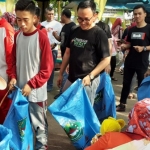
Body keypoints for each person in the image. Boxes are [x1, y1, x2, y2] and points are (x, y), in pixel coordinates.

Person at [9, 0, 53, 149]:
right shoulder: (17, 36)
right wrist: (13, 76)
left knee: (39, 128)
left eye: (25, 19)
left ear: (34, 18)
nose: (21, 24)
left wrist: (31, 84)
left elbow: (47, 69)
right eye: (18, 19)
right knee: (22, 127)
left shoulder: (41, 37)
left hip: (36, 94)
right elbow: (13, 61)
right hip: (20, 92)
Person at [57, 0, 110, 105]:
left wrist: (90, 76)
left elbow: (106, 59)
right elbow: (68, 53)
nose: (82, 22)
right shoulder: (74, 30)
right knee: (65, 105)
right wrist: (61, 73)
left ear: (95, 16)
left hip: (88, 80)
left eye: (86, 19)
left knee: (82, 112)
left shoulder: (99, 34)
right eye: (79, 19)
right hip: (72, 77)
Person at [116, 5, 150, 112]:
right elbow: (130, 43)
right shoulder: (131, 29)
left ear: (145, 14)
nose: (137, 16)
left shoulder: (149, 28)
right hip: (130, 61)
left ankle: (142, 108)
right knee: (126, 83)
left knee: (142, 85)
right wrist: (125, 46)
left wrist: (143, 48)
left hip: (143, 62)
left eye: (139, 13)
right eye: (135, 14)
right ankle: (122, 104)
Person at [52, 8, 76, 99]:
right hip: (63, 53)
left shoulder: (73, 27)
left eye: (61, 16)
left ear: (64, 16)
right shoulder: (64, 26)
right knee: (64, 74)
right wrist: (55, 36)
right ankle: (62, 91)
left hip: (69, 54)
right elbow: (61, 40)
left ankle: (63, 93)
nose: (60, 18)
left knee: (66, 74)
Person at [41, 7, 62, 92]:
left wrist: (55, 44)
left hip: (53, 49)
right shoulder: (42, 24)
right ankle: (43, 84)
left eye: (52, 14)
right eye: (49, 14)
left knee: (51, 67)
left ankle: (49, 85)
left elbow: (61, 38)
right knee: (43, 67)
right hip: (43, 49)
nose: (51, 16)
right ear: (45, 15)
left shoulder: (58, 25)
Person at [0, 15, 15, 124]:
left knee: (4, 109)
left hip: (3, 79)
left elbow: (10, 57)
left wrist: (11, 78)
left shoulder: (6, 28)